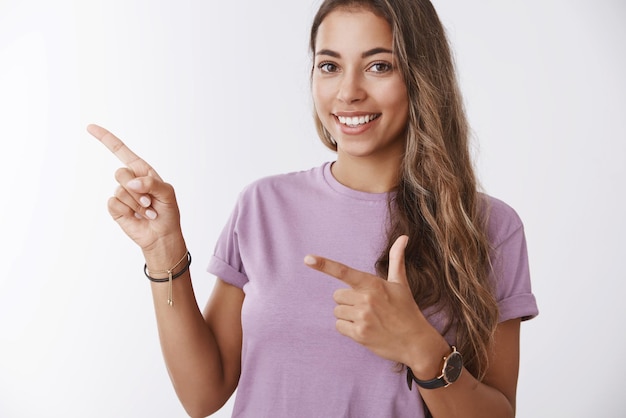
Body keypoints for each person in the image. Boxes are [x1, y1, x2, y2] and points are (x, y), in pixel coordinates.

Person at [88, 0, 538, 417]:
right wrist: (164, 250)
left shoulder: (488, 227)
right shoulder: (263, 205)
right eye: (329, 66)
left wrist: (421, 347)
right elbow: (203, 394)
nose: (348, 92)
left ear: (423, 78)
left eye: (379, 65)